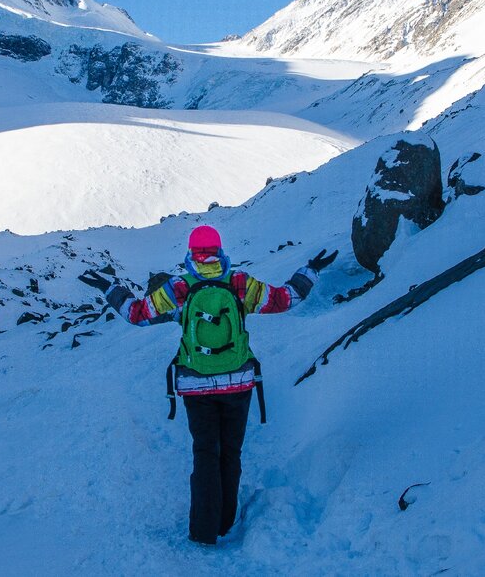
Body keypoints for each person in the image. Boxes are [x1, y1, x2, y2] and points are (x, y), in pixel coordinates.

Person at [79, 224, 338, 546]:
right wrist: (310, 271)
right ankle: (225, 523)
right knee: (230, 453)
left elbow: (137, 314)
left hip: (195, 385)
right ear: (219, 251)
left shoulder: (179, 287)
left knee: (205, 453)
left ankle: (202, 530)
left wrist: (110, 289)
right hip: (237, 383)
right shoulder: (239, 282)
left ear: (191, 253)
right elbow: (285, 299)